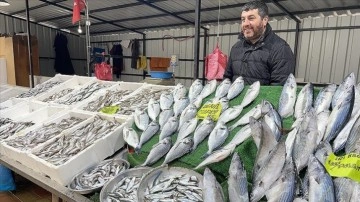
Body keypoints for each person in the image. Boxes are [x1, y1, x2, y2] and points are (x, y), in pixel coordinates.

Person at [223, 1, 295, 85]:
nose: (245, 24)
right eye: (243, 19)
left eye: (251, 18)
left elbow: (278, 89)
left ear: (264, 20)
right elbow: (227, 79)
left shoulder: (280, 49)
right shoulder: (236, 48)